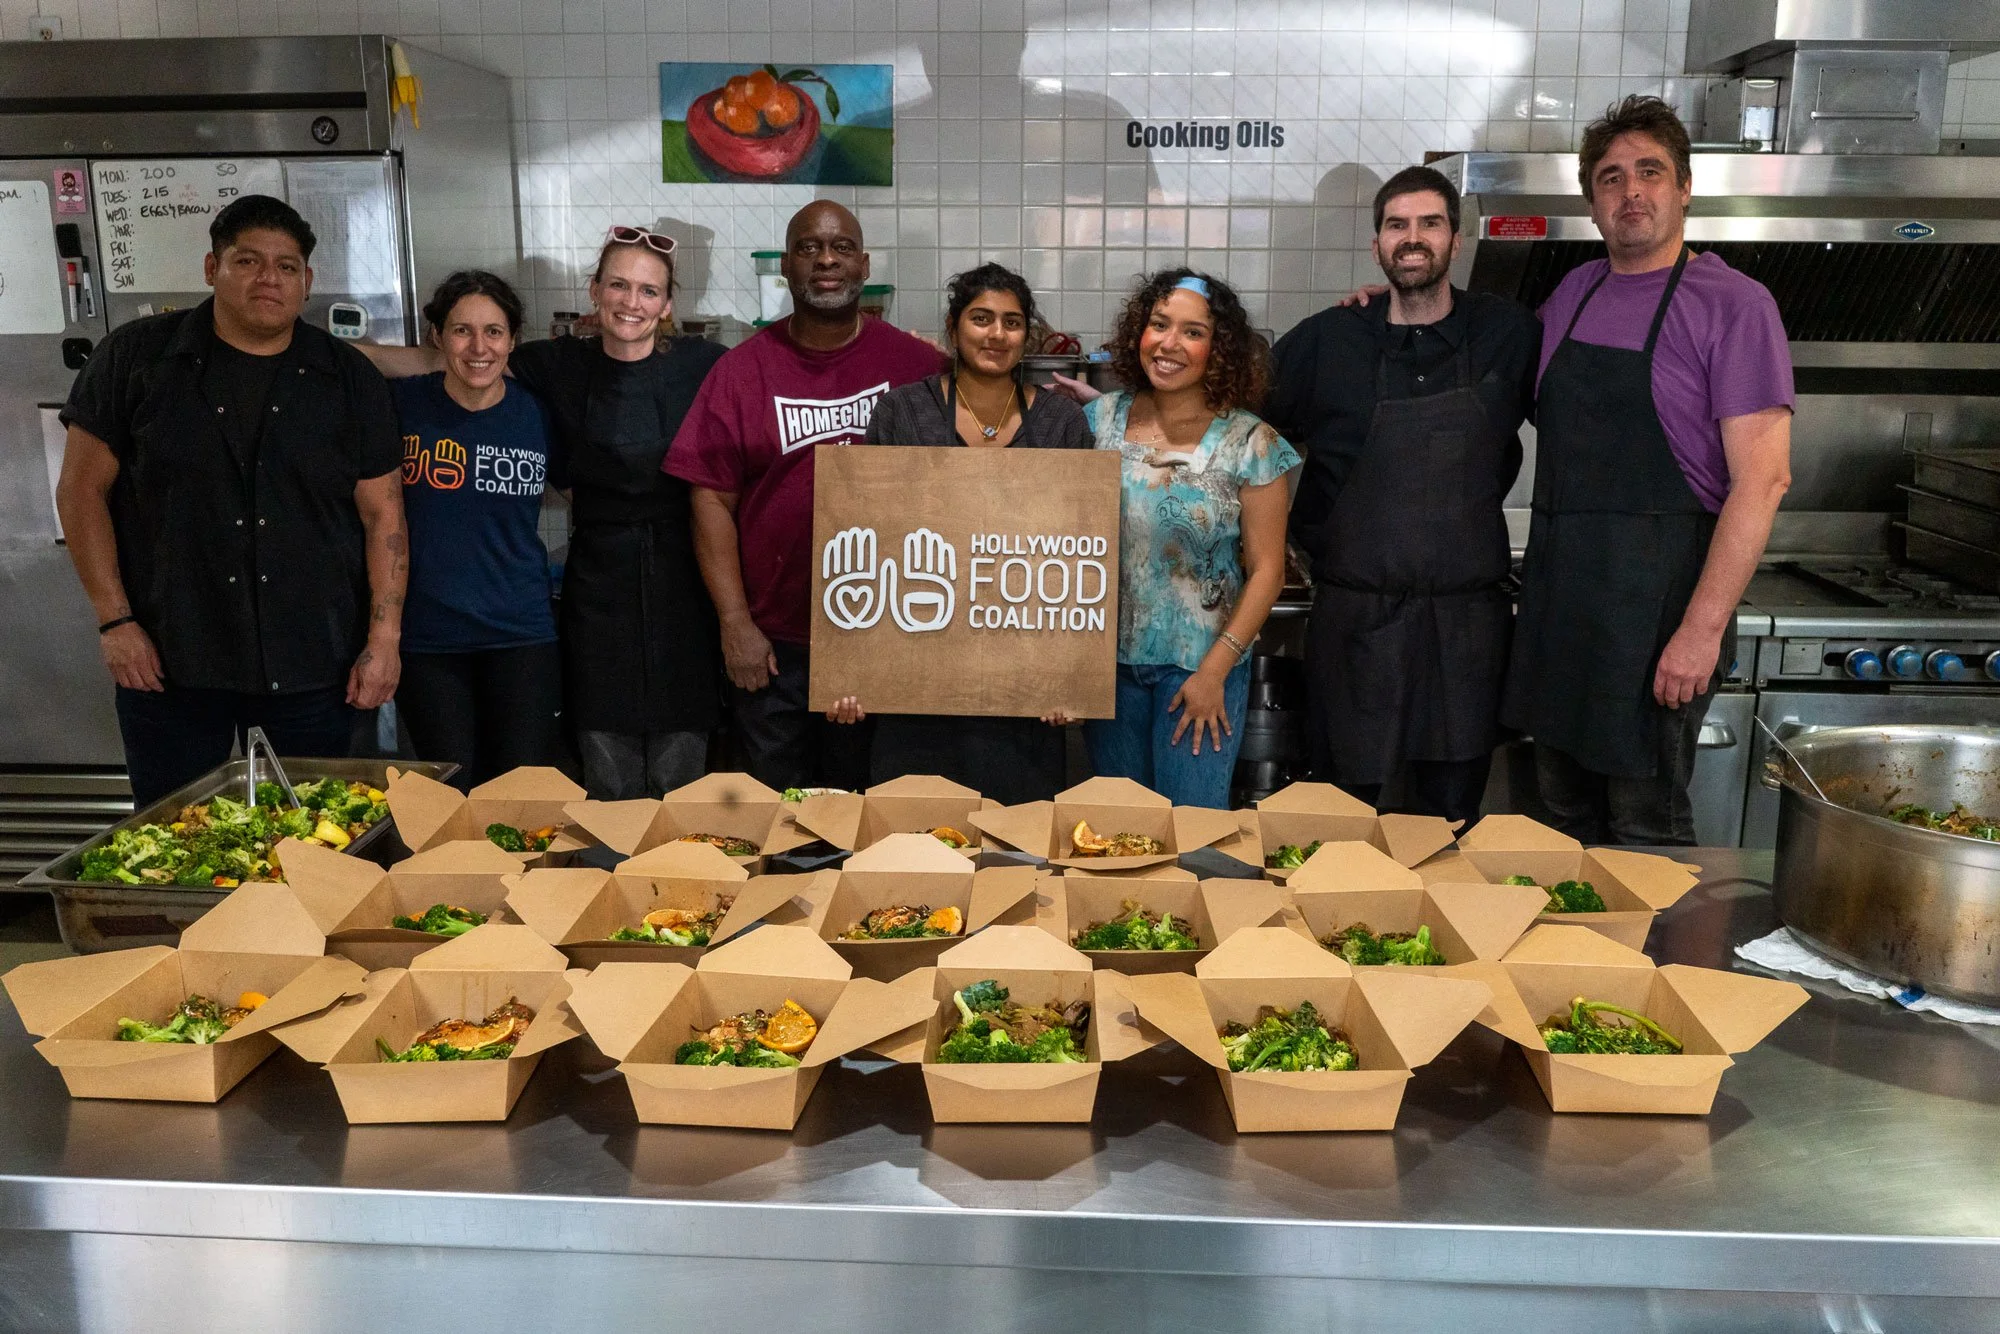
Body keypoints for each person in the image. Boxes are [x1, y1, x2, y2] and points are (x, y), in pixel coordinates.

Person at [1504, 95, 1792, 844]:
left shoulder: (1735, 305)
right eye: (1611, 177)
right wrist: (1386, 311)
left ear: (1685, 188)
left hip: (1659, 611)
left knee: (1645, 830)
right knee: (1555, 825)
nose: (1631, 190)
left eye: (1650, 171)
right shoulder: (1573, 294)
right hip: (1563, 604)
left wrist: (1701, 631)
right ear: (1593, 202)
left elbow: (1763, 481)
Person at [54, 194, 404, 807]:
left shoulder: (348, 378)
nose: (269, 278)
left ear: (306, 282)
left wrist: (384, 641)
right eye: (248, 261)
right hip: (168, 660)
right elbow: (81, 490)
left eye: (286, 266)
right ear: (212, 268)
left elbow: (384, 517)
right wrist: (115, 621)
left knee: (318, 839)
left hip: (314, 664)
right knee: (174, 837)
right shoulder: (136, 359)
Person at [362, 226, 728, 799]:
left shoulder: (706, 364)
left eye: (648, 291)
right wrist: (324, 349)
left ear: (667, 306)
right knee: (603, 768)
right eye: (618, 285)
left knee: (682, 769)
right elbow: (450, 361)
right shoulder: (555, 365)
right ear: (595, 291)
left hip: (684, 582)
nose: (631, 302)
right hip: (598, 586)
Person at [1264, 165, 1540, 824]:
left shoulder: (1510, 333)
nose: (1412, 238)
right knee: (1339, 821)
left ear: (1456, 240)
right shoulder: (1328, 339)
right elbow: (1238, 424)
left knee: (1448, 821)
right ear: (1377, 245)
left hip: (1464, 630)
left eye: (1429, 223)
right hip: (1354, 624)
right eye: (1397, 225)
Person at [667, 201, 946, 791]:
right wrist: (735, 623)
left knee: (874, 814)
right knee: (779, 816)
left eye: (841, 247)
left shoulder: (919, 365)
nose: (826, 260)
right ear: (786, 267)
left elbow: (981, 460)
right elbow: (710, 500)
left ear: (864, 265)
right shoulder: (740, 372)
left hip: (888, 639)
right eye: (809, 247)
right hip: (774, 646)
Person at [822, 263, 1093, 804]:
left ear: (1027, 336)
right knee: (913, 839)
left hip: (1024, 692)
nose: (997, 334)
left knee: (1014, 843)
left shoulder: (1061, 423)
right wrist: (849, 672)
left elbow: (1082, 556)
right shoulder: (903, 412)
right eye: (981, 318)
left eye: (1012, 322)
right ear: (953, 327)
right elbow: (866, 540)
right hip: (915, 680)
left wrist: (1071, 681)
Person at [1082, 269, 1300, 809]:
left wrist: (1214, 672)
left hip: (1200, 671)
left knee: (1195, 834)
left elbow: (1268, 571)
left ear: (1219, 349)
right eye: (1159, 325)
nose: (1169, 344)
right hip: (1104, 672)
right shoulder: (1097, 421)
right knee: (1119, 832)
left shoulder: (1252, 442)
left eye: (1193, 332)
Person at [388, 271, 564, 789]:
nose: (479, 347)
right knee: (446, 798)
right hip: (428, 639)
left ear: (512, 340)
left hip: (522, 634)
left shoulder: (537, 412)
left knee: (521, 799)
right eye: (462, 330)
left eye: (494, 331)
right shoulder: (402, 405)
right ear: (438, 337)